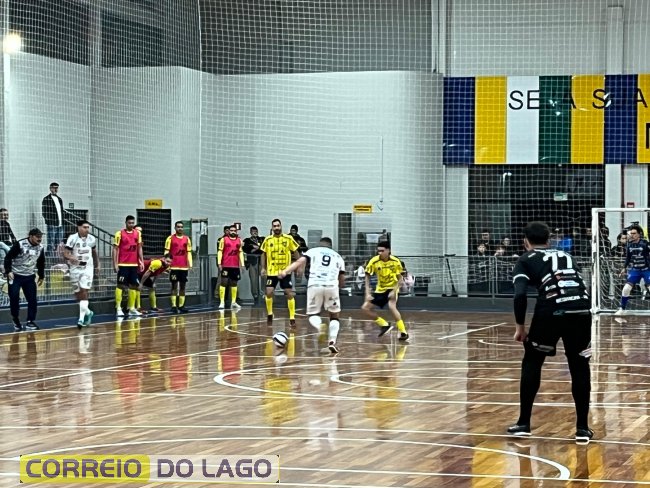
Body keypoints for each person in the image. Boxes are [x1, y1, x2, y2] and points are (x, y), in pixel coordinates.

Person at [508, 221, 593, 444]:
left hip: (551, 310)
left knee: (532, 360)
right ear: (549, 240)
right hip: (582, 309)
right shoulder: (567, 256)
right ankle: (582, 428)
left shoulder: (525, 259)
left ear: (525, 242)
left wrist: (520, 327)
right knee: (579, 365)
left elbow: (519, 295)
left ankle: (523, 423)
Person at [279, 237, 345, 354]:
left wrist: (285, 271)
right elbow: (342, 279)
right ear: (330, 245)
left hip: (315, 284)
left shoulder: (313, 251)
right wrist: (338, 288)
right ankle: (332, 342)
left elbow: (299, 262)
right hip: (331, 286)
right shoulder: (338, 257)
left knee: (313, 314)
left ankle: (320, 327)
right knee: (334, 316)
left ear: (320, 244)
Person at [361, 241, 409, 342]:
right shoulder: (374, 261)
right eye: (378, 251)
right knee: (365, 308)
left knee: (392, 306)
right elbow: (367, 276)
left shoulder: (395, 261)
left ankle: (403, 332)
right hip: (380, 289)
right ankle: (384, 325)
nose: (380, 253)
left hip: (392, 287)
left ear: (388, 250)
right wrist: (368, 293)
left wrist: (394, 291)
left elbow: (400, 278)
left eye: (382, 251)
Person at [4, 228, 45, 331]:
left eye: (41, 237)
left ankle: (30, 321)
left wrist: (41, 276)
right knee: (14, 298)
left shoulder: (40, 247)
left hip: (29, 276)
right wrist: (8, 271)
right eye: (37, 237)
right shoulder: (20, 244)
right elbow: (8, 258)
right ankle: (15, 319)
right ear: (30, 236)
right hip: (15, 276)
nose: (39, 239)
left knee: (32, 299)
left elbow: (41, 262)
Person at [260, 219, 299, 325]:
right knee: (268, 292)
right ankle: (269, 314)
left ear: (281, 226)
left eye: (278, 226)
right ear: (272, 228)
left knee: (289, 293)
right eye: (274, 226)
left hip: (285, 272)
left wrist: (298, 265)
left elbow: (295, 251)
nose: (276, 228)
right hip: (272, 271)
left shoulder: (288, 238)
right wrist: (263, 268)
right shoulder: (267, 240)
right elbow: (263, 254)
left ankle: (292, 318)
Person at [63, 220, 99, 328]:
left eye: (88, 227)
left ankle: (81, 319)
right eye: (84, 227)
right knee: (78, 294)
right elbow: (65, 253)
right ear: (78, 227)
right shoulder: (72, 238)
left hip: (87, 267)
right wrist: (71, 257)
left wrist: (97, 265)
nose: (87, 229)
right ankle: (88, 312)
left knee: (84, 291)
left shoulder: (92, 239)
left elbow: (94, 252)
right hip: (75, 268)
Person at [113, 215, 144, 317]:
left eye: (132, 223)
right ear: (126, 223)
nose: (131, 224)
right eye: (129, 223)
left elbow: (139, 248)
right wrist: (115, 264)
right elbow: (115, 249)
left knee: (134, 286)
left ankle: (131, 308)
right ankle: (118, 308)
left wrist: (141, 261)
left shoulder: (138, 233)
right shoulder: (119, 234)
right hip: (123, 264)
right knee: (120, 285)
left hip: (134, 264)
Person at [615, 224, 650, 315]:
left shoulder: (645, 243)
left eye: (634, 233)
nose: (632, 235)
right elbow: (628, 258)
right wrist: (624, 268)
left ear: (639, 234)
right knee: (626, 289)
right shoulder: (629, 245)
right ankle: (622, 309)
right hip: (635, 270)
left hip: (646, 270)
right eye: (631, 233)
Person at [165, 220, 192, 314]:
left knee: (183, 286)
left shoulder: (187, 239)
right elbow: (166, 252)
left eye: (181, 227)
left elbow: (189, 252)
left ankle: (181, 306)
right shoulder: (170, 238)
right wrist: (167, 265)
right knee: (174, 286)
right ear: (175, 228)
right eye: (178, 227)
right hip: (174, 267)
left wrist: (190, 264)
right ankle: (173, 306)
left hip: (183, 267)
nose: (180, 228)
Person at [217, 224, 244, 310]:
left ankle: (233, 302)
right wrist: (219, 263)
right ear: (229, 231)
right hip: (226, 265)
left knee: (234, 283)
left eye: (234, 231)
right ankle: (222, 302)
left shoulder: (239, 240)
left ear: (236, 231)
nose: (233, 232)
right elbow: (220, 251)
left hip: (235, 266)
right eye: (231, 230)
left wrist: (242, 264)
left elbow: (240, 252)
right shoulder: (224, 239)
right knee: (224, 282)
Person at [41, 182, 64, 258]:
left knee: (59, 243)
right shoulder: (46, 199)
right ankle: (50, 259)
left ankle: (57, 259)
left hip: (60, 224)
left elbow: (61, 211)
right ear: (50, 188)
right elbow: (44, 212)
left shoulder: (59, 199)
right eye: (54, 188)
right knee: (51, 243)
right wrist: (49, 222)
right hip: (52, 224)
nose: (56, 189)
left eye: (57, 188)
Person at [242, 226, 264, 304]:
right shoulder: (247, 240)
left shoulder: (261, 239)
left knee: (264, 277)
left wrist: (256, 249)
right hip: (252, 262)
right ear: (250, 232)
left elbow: (264, 248)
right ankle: (255, 296)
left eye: (256, 231)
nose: (255, 232)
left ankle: (264, 294)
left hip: (261, 262)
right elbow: (245, 248)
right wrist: (253, 247)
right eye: (253, 231)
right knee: (253, 280)